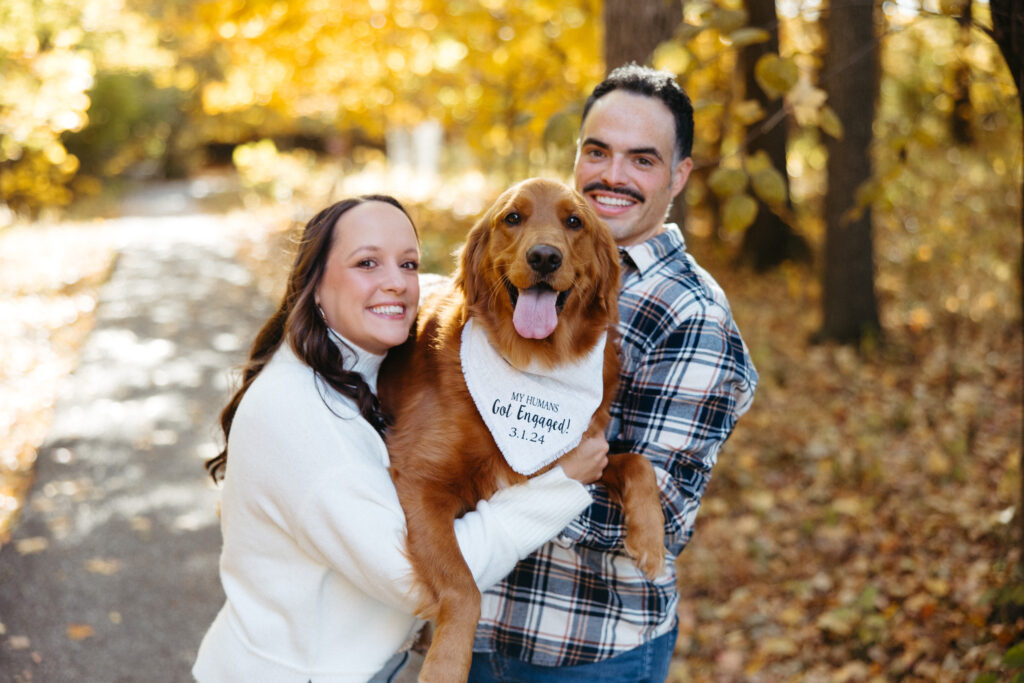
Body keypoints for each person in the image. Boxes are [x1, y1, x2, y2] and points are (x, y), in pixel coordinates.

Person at [192, 195, 609, 682]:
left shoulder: (357, 372)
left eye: (408, 264)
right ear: (314, 283)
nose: (395, 281)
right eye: (367, 262)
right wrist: (558, 486)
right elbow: (408, 580)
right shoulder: (298, 414)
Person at [469, 64, 759, 681]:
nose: (612, 176)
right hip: (468, 623)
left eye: (642, 160)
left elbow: (664, 522)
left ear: (680, 175)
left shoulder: (691, 313)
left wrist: (477, 480)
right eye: (597, 152)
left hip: (582, 650)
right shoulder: (520, 266)